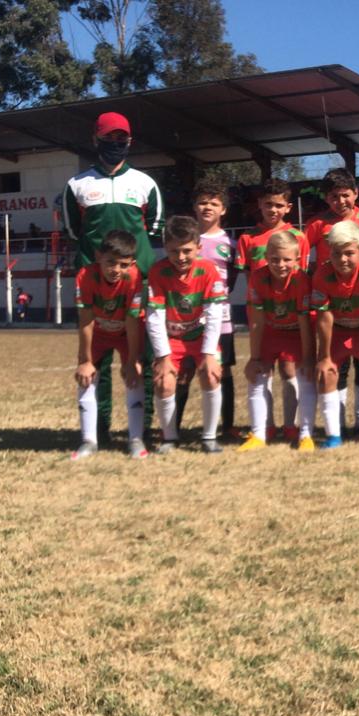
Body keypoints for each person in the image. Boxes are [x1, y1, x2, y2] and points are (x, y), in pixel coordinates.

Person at [63, 112, 163, 444]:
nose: (116, 143)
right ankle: (99, 429)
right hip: (94, 286)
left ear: (130, 142)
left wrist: (132, 266)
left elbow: (153, 229)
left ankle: (142, 427)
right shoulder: (77, 184)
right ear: (96, 139)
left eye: (122, 138)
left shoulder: (145, 183)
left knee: (141, 358)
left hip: (137, 284)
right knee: (98, 360)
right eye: (109, 138)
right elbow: (74, 231)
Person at [304, 168, 359, 437]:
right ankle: (336, 424)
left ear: (356, 194)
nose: (340, 201)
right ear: (326, 198)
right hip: (331, 301)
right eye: (334, 197)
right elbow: (303, 260)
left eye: (345, 195)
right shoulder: (316, 225)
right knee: (338, 366)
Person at [234, 178, 310, 442]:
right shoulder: (248, 238)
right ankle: (265, 426)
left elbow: (301, 276)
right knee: (262, 370)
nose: (273, 210)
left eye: (278, 205)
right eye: (268, 204)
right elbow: (249, 277)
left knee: (289, 371)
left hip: (291, 317)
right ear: (259, 205)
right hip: (262, 315)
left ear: (288, 207)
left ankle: (290, 425)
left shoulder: (299, 237)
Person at [146, 215, 227, 454]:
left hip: (200, 337)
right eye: (174, 251)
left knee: (211, 375)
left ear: (198, 247)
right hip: (172, 339)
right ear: (165, 248)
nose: (180, 257)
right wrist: (163, 357)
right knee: (164, 382)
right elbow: (154, 318)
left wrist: (209, 354)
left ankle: (209, 437)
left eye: (186, 251)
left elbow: (214, 315)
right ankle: (169, 438)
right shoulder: (158, 272)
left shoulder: (209, 270)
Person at [310, 220, 359, 451]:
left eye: (349, 253)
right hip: (338, 331)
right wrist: (324, 357)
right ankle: (333, 435)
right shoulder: (322, 275)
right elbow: (324, 318)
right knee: (326, 374)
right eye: (336, 253)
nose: (342, 259)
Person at [70, 230, 147, 460]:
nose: (116, 270)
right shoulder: (86, 276)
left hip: (125, 333)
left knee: (134, 376)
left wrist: (132, 360)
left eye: (123, 265)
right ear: (98, 257)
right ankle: (89, 440)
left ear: (132, 264)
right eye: (110, 262)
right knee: (86, 376)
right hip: (99, 333)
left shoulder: (134, 278)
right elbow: (86, 319)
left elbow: (133, 321)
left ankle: (135, 439)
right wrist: (85, 360)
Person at [238, 231, 316, 453]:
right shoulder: (257, 278)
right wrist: (254, 358)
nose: (280, 265)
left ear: (297, 259)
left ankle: (305, 434)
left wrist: (308, 358)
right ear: (266, 257)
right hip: (270, 332)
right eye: (274, 259)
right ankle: (259, 434)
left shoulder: (302, 280)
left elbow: (304, 322)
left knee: (306, 377)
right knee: (257, 375)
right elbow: (257, 321)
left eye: (286, 260)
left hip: (295, 333)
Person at [173, 182, 237, 439]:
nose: (207, 207)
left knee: (222, 370)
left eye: (214, 203)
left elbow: (231, 280)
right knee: (184, 372)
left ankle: (228, 427)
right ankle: (173, 429)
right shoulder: (186, 242)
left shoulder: (230, 243)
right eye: (202, 202)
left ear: (224, 209)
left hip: (221, 319)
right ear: (194, 207)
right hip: (188, 319)